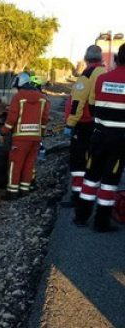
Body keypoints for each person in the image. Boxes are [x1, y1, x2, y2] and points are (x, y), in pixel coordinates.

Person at [74, 43, 125, 232]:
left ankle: (81, 217)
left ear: (116, 58)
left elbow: (93, 106)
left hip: (99, 135)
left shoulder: (101, 79)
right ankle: (101, 222)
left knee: (91, 177)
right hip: (119, 140)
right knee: (110, 181)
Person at [63, 45, 105, 207]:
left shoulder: (88, 74)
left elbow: (77, 102)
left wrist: (70, 123)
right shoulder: (104, 72)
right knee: (93, 161)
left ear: (86, 58)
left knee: (79, 162)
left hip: (84, 125)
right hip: (99, 124)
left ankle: (77, 197)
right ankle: (90, 195)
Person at [1, 72, 50, 200]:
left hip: (20, 139)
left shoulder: (18, 97)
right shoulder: (42, 98)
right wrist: (41, 134)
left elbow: (12, 118)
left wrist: (4, 130)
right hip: (36, 138)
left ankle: (12, 192)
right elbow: (45, 120)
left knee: (15, 164)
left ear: (19, 84)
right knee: (29, 164)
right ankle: (24, 190)